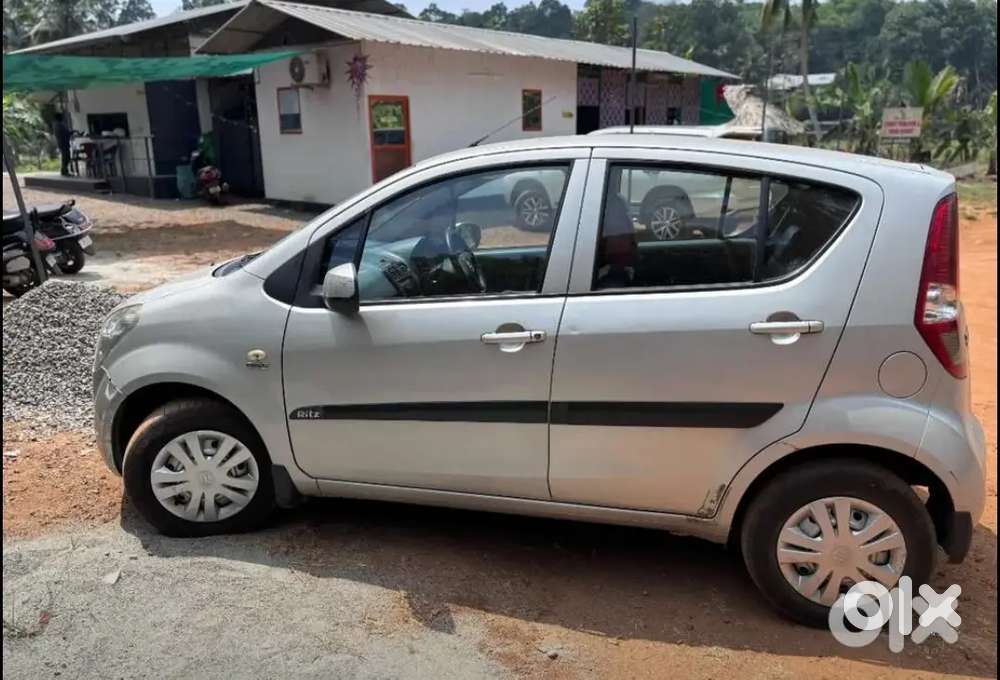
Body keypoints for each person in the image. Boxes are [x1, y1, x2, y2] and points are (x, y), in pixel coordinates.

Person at [52, 112, 72, 176]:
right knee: (66, 157)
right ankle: (64, 170)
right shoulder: (59, 125)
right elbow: (65, 133)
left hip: (62, 142)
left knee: (65, 157)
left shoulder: (56, 124)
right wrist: (70, 133)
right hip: (63, 143)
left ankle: (64, 170)